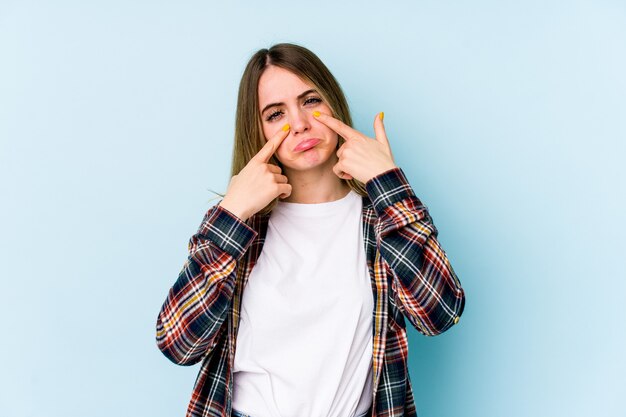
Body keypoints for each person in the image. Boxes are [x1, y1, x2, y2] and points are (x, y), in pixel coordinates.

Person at [155, 43, 466, 417]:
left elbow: (440, 314)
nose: (300, 123)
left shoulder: (379, 219)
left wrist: (387, 184)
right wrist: (232, 213)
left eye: (311, 100)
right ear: (256, 129)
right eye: (275, 113)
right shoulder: (238, 225)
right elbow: (178, 344)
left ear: (332, 103)